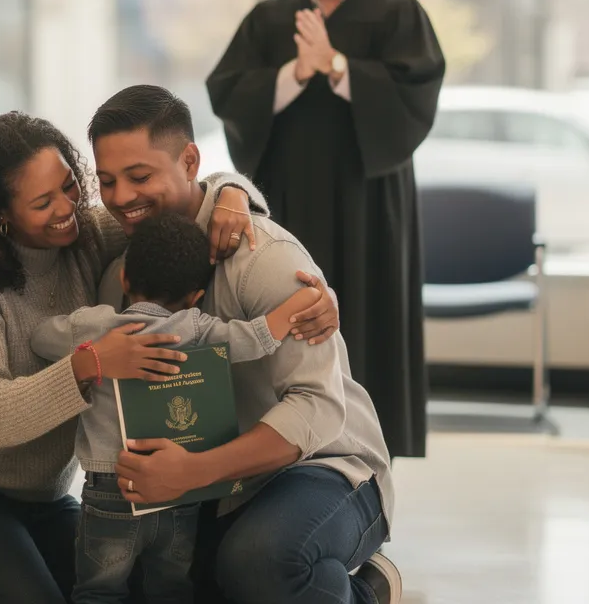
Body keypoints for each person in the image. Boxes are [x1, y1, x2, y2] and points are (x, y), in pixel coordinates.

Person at [0, 112, 340, 604]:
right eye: (43, 201)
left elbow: (178, 204)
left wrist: (234, 193)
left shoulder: (84, 237)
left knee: (135, 593)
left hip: (43, 500)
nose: (67, 207)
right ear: (0, 215)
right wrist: (89, 363)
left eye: (69, 185)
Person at [89, 85, 402, 604]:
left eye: (140, 176)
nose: (122, 197)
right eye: (107, 182)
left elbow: (318, 408)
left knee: (259, 561)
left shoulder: (265, 258)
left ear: (190, 160)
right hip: (206, 489)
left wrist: (194, 471)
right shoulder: (117, 269)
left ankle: (364, 592)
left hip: (323, 465)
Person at [205, 0, 446, 459]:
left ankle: (369, 461)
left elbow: (414, 100)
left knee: (365, 319)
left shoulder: (396, 14)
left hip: (370, 202)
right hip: (292, 202)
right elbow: (228, 93)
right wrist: (295, 71)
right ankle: (287, 447)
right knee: (293, 314)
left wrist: (336, 64)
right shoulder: (271, 19)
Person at [31, 212, 322, 604]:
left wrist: (90, 352)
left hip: (110, 489)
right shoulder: (197, 329)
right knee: (170, 590)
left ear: (124, 280)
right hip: (179, 493)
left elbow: (39, 337)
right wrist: (312, 298)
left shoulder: (94, 326)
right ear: (196, 297)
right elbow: (259, 338)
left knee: (98, 591)